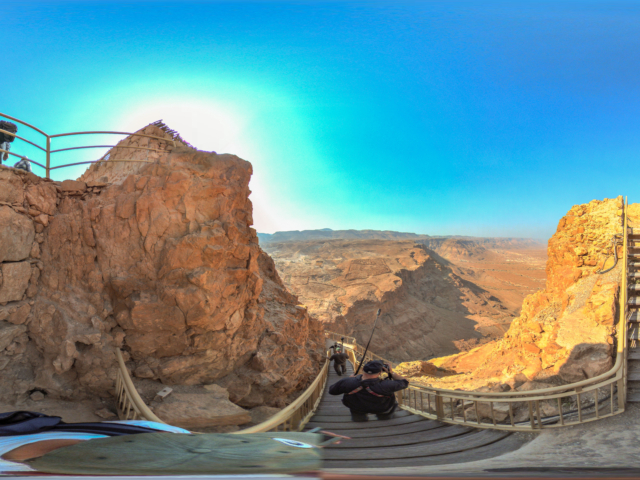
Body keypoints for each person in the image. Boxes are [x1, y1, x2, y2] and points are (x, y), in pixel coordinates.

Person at [328, 360, 409, 422]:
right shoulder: (387, 385)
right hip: (382, 408)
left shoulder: (348, 381)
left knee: (356, 410)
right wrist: (391, 372)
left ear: (363, 369)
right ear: (380, 372)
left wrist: (349, 379)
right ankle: (384, 417)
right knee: (389, 406)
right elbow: (405, 382)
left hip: (357, 407)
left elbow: (332, 391)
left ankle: (359, 418)